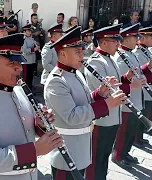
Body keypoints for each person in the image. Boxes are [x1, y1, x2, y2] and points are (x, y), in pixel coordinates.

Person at [0, 33, 64, 180]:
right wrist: (34, 150)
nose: (19, 69)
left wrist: (40, 123)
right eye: (12, 63)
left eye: (19, 62)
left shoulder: (19, 90)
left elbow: (26, 129)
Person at [45, 26, 125, 180]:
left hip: (80, 147)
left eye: (82, 51)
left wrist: (99, 93)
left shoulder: (75, 73)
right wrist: (107, 104)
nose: (83, 55)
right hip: (67, 151)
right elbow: (72, 116)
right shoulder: (57, 80)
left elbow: (84, 100)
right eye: (78, 52)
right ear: (62, 53)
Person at [84, 24, 144, 180]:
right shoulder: (96, 62)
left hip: (113, 116)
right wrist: (129, 85)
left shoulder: (109, 59)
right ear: (103, 43)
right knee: (96, 158)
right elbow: (104, 90)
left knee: (104, 156)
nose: (118, 43)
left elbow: (115, 82)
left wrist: (127, 77)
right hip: (102, 120)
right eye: (114, 41)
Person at [111, 24, 152, 169]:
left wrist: (147, 69)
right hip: (128, 99)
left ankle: (125, 153)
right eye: (134, 37)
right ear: (126, 40)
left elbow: (137, 71)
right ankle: (118, 155)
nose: (137, 40)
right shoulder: (121, 56)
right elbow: (119, 78)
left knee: (131, 129)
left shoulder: (130, 53)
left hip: (137, 97)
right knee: (124, 130)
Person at [133, 25, 152, 146]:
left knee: (145, 114)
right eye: (150, 37)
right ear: (142, 38)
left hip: (149, 87)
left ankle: (139, 137)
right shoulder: (138, 53)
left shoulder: (147, 51)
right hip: (143, 89)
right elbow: (140, 72)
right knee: (139, 117)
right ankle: (136, 139)